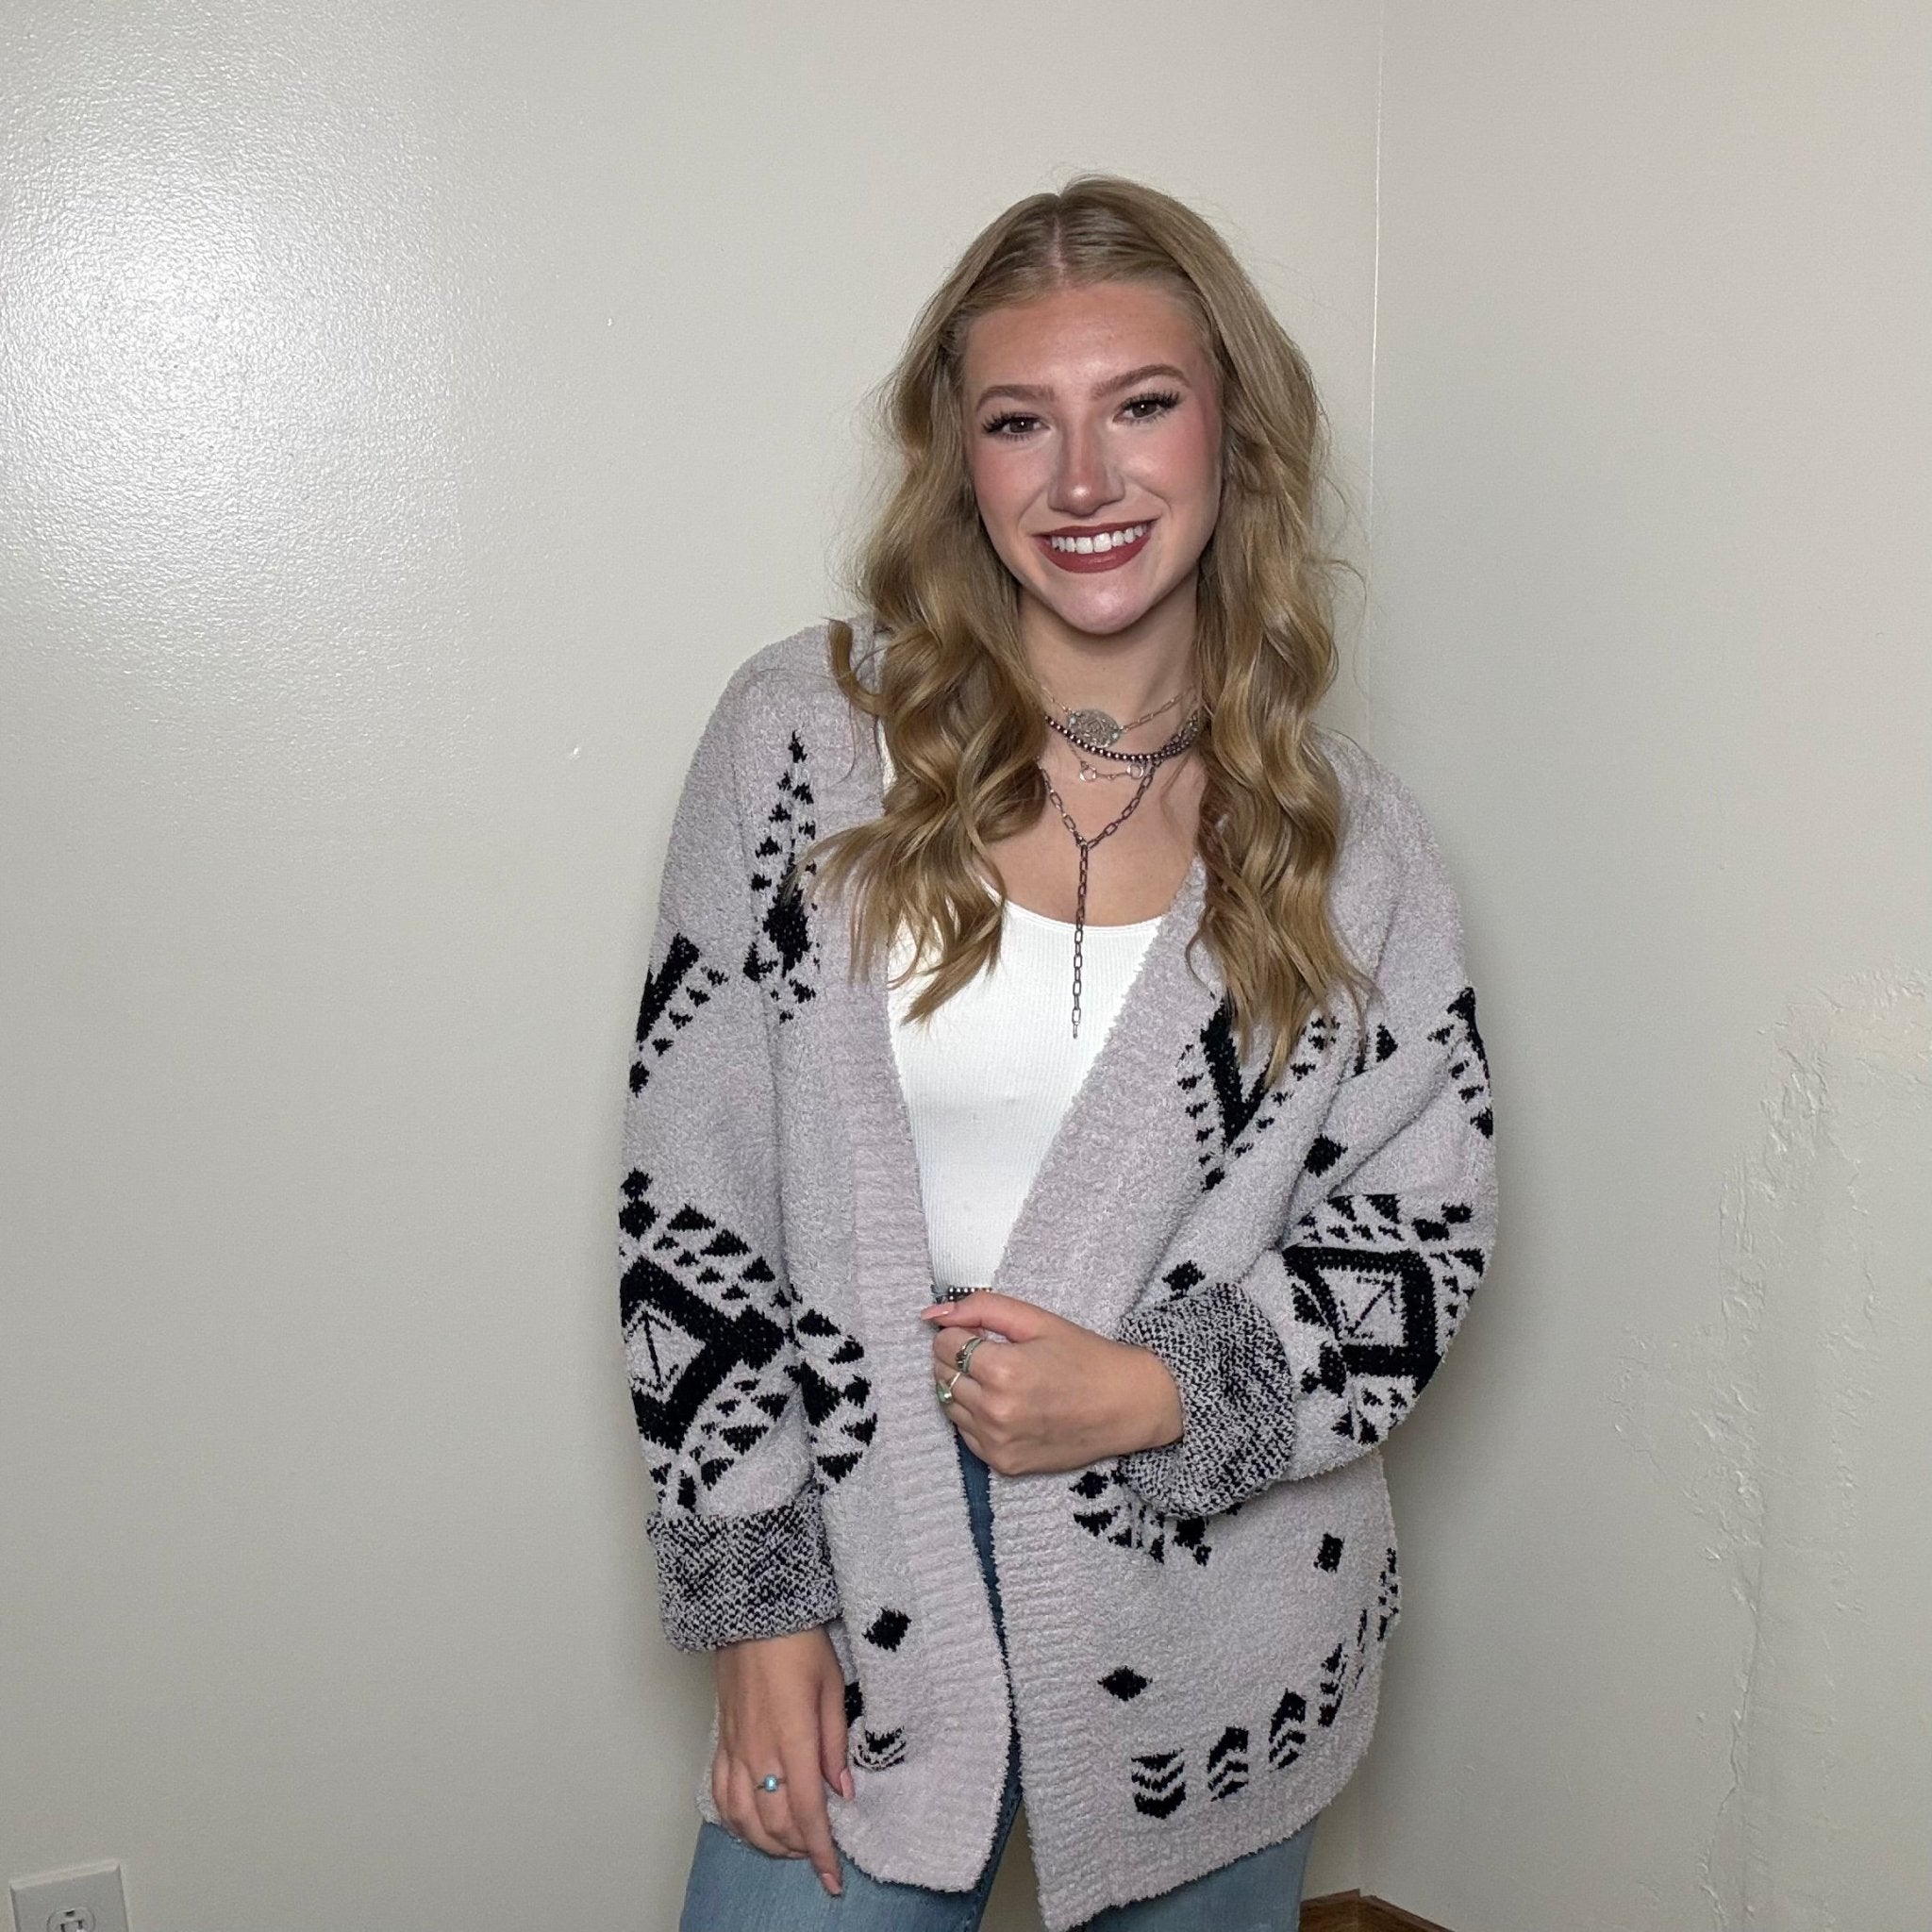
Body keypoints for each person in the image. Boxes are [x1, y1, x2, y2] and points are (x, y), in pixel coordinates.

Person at [617, 175, 1498, 1932]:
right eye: (1022, 421)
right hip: (865, 1536)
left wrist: (1167, 1393)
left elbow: (1424, 1239)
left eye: (1142, 406)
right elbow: (688, 1188)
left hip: (1225, 1618)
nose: (1083, 481)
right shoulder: (803, 744)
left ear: (1234, 432)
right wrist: (757, 1607)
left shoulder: (1351, 849)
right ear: (964, 461)